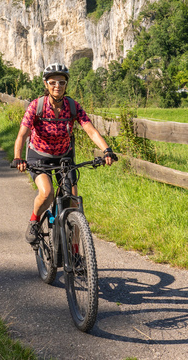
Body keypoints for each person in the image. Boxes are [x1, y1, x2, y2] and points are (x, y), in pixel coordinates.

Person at [12, 62, 116, 244]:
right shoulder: (37, 106)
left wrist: (106, 150)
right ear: (46, 84)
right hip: (39, 156)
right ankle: (35, 220)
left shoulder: (73, 106)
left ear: (66, 85)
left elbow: (91, 131)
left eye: (61, 82)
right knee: (47, 193)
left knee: (74, 205)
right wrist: (18, 157)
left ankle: (75, 253)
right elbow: (22, 134)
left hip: (64, 157)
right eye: (52, 82)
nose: (57, 86)